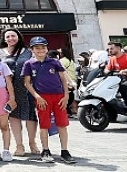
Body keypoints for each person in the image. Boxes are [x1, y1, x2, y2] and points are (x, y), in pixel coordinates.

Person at [23, 36, 76, 164]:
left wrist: (66, 96)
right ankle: (45, 150)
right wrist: (37, 96)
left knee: (62, 124)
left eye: (43, 47)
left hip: (59, 96)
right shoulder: (29, 64)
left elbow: (63, 79)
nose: (40, 50)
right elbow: (27, 83)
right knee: (44, 124)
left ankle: (65, 151)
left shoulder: (55, 62)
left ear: (47, 49)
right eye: (37, 48)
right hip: (42, 97)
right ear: (32, 49)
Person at [0, 28, 39, 156]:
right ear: (4, 39)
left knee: (31, 116)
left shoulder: (28, 51)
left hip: (27, 87)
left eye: (13, 36)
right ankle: (19, 145)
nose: (11, 38)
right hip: (9, 89)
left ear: (19, 37)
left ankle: (32, 143)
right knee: (13, 116)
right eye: (8, 36)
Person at [58, 50, 78, 116]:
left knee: (66, 95)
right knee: (71, 94)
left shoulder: (62, 61)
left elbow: (61, 70)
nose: (60, 54)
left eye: (61, 53)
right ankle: (69, 111)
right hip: (73, 79)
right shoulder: (71, 60)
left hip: (67, 80)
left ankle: (67, 111)